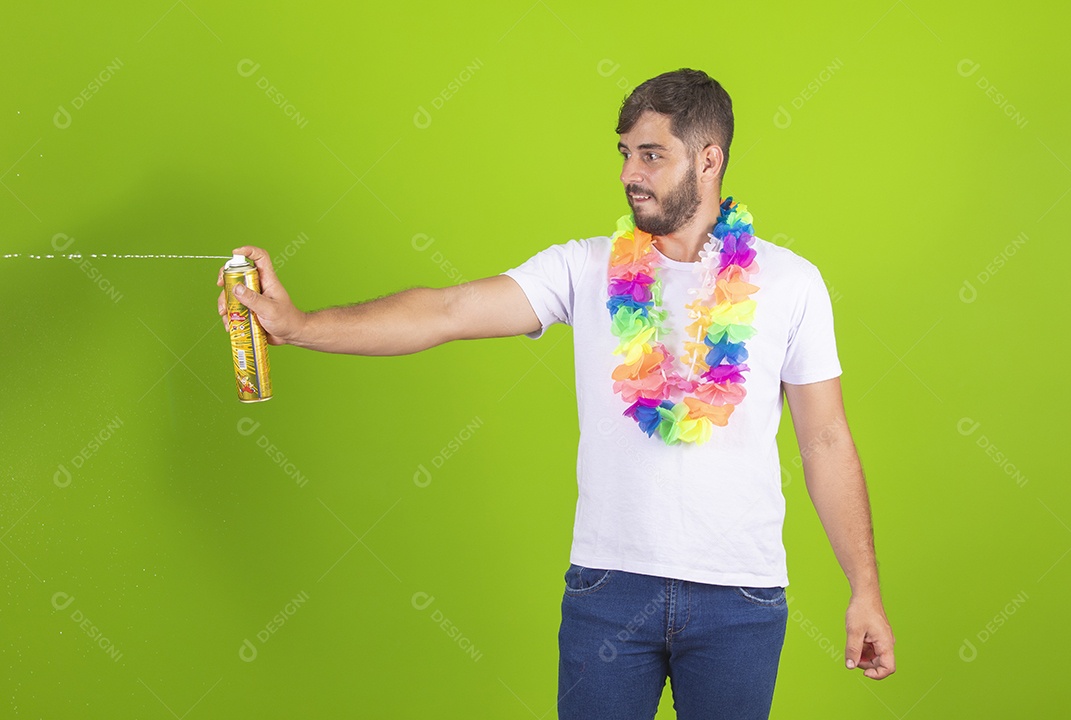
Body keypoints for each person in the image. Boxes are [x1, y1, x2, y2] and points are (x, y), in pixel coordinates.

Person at [216, 68, 895, 719]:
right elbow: (447, 311)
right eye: (625, 153)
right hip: (608, 588)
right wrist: (301, 327)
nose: (629, 173)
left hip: (740, 598)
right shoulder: (584, 267)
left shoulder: (791, 282)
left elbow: (825, 439)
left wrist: (864, 589)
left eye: (651, 155)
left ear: (709, 159)